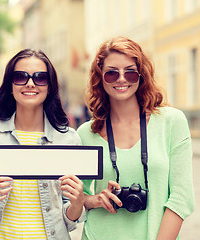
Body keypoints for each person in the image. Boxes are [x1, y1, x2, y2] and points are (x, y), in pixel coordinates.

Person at [77, 36, 195, 239]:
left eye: (130, 72)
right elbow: (75, 199)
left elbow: (181, 198)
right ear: (100, 78)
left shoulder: (171, 122)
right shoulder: (86, 133)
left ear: (141, 76)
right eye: (111, 73)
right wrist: (95, 199)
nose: (121, 79)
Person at [0, 49, 85, 239]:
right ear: (10, 84)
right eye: (21, 77)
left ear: (50, 86)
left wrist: (77, 203)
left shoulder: (68, 139)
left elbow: (70, 220)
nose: (30, 83)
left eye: (40, 78)